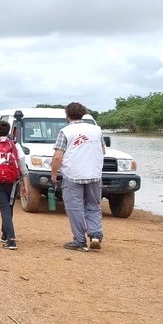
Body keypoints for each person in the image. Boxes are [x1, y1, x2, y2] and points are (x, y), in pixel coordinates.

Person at [51, 102, 106, 251]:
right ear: (84, 114)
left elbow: (57, 156)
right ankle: (95, 235)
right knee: (93, 206)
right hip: (94, 175)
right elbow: (103, 151)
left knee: (75, 208)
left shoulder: (65, 132)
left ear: (67, 115)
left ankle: (80, 241)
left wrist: (54, 173)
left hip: (72, 175)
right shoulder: (96, 130)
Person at [0, 120, 20, 249]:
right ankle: (5, 234)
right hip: (13, 180)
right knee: (9, 207)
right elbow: (21, 162)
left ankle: (11, 239)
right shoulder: (15, 144)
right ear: (9, 131)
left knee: (4, 208)